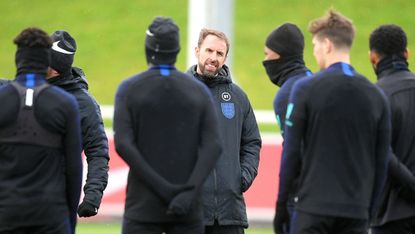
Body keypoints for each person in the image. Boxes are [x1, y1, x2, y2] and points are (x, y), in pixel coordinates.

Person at [275, 9, 390, 234]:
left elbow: (291, 153)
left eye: (316, 46)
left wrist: (281, 207)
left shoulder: (305, 89)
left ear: (327, 45)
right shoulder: (376, 95)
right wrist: (369, 211)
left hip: (313, 210)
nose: (315, 53)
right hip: (356, 211)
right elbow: (381, 160)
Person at [113, 16, 223, 234]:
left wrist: (164, 189)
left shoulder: (129, 89)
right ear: (178, 49)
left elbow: (124, 144)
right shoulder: (198, 91)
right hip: (187, 207)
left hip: (143, 206)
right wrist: (187, 192)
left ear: (148, 47)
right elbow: (214, 146)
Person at [0, 27, 82, 233]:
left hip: (6, 213)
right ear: (47, 62)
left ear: (18, 59)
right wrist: (70, 221)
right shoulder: (65, 103)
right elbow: (74, 169)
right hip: (51, 216)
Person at [187, 28, 262, 234]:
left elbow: (252, 142)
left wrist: (242, 177)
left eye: (219, 53)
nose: (213, 58)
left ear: (225, 57)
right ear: (197, 51)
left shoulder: (238, 97)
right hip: (189, 212)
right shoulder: (179, 93)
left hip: (230, 214)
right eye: (209, 50)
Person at [46, 30, 109, 218]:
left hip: (57, 203)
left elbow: (97, 151)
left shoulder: (84, 105)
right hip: (15, 198)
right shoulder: (25, 88)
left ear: (54, 66)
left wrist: (92, 196)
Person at [262, 23, 312, 234]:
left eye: (267, 54)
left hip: (302, 199)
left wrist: (283, 204)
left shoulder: (287, 95)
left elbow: (293, 152)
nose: (264, 60)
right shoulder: (316, 80)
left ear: (280, 55)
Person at [368, 24, 415, 234]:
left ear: (372, 57)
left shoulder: (374, 96)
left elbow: (381, 154)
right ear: (407, 53)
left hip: (389, 214)